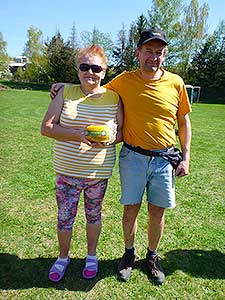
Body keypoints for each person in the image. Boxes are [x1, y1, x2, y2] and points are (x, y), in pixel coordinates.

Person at [51, 28, 192, 285]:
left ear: (165, 55)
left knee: (157, 212)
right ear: (138, 53)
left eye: (159, 52)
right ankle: (128, 254)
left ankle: (152, 256)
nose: (153, 57)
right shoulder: (124, 81)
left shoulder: (176, 82)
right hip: (133, 156)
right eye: (148, 51)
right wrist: (65, 87)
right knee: (131, 210)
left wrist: (186, 157)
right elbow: (93, 83)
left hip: (164, 159)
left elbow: (183, 121)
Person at [41, 44, 123, 282]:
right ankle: (63, 258)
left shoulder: (114, 97)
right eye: (84, 67)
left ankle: (91, 256)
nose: (90, 72)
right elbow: (46, 128)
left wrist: (107, 140)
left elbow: (122, 133)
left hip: (97, 173)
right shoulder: (64, 92)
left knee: (94, 216)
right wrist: (78, 134)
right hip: (67, 171)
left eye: (96, 67)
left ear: (104, 71)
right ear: (77, 70)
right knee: (64, 217)